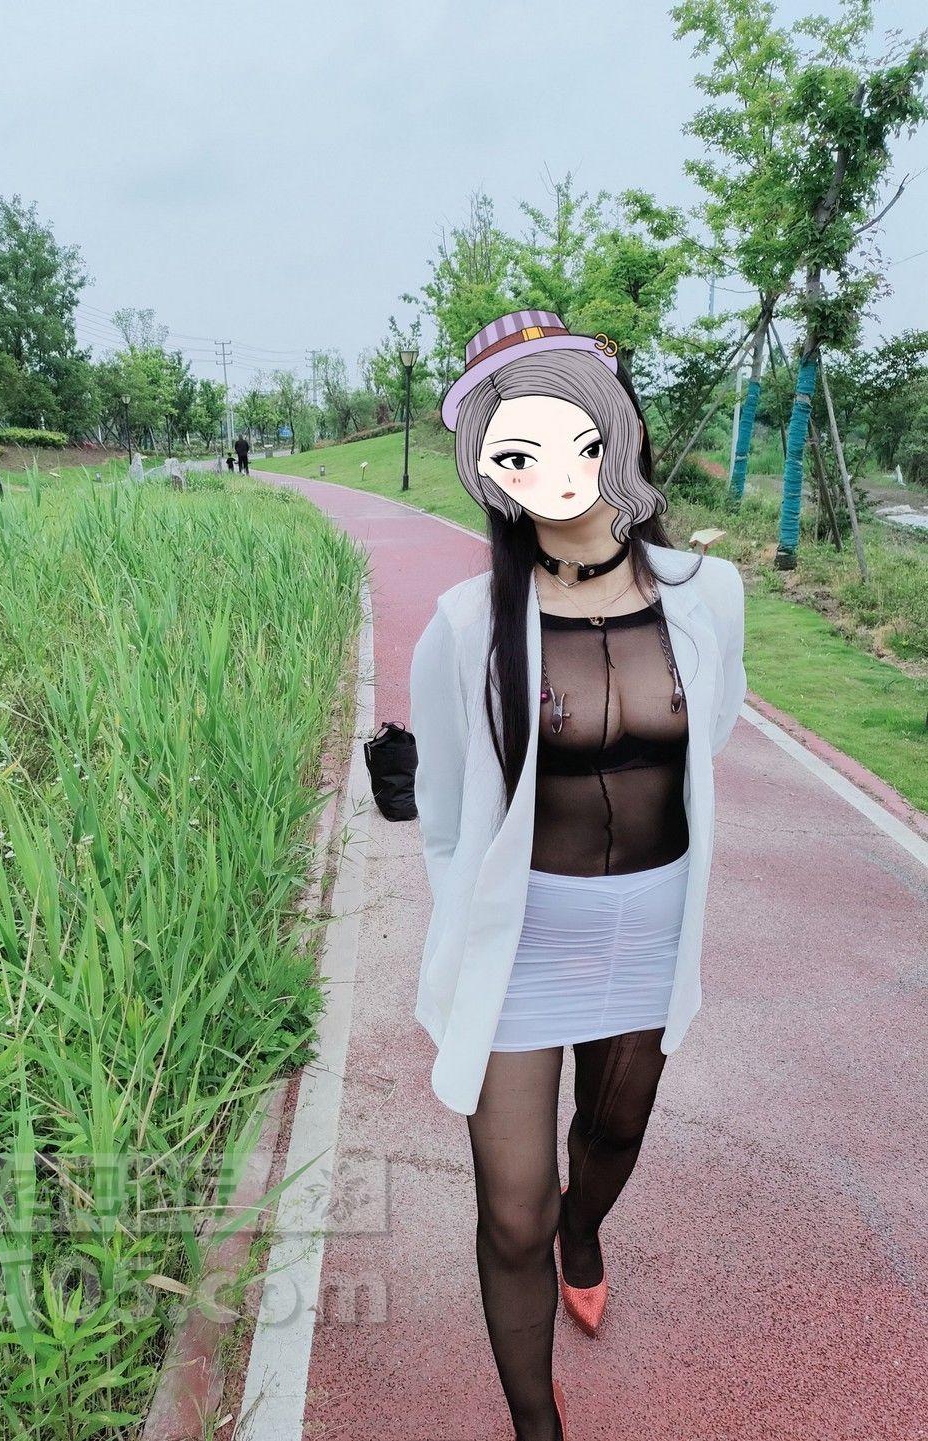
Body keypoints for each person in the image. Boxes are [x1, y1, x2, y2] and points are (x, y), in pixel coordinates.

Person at [408, 310, 747, 1441]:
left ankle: (586, 1227)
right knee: (512, 1216)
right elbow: (445, 817)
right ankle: (536, 1427)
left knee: (608, 1144)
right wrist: (468, 940)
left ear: (617, 430)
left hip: (649, 930)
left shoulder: (708, 595)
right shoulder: (466, 624)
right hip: (519, 946)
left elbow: (709, 742)